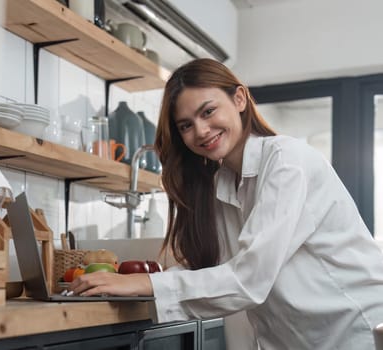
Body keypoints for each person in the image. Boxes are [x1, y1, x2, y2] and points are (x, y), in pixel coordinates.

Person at [70, 58, 383, 349]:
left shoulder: (287, 161)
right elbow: (215, 265)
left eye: (208, 112)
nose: (201, 131)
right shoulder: (222, 184)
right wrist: (126, 281)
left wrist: (147, 283)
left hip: (357, 331)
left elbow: (249, 278)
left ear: (239, 99)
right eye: (185, 125)